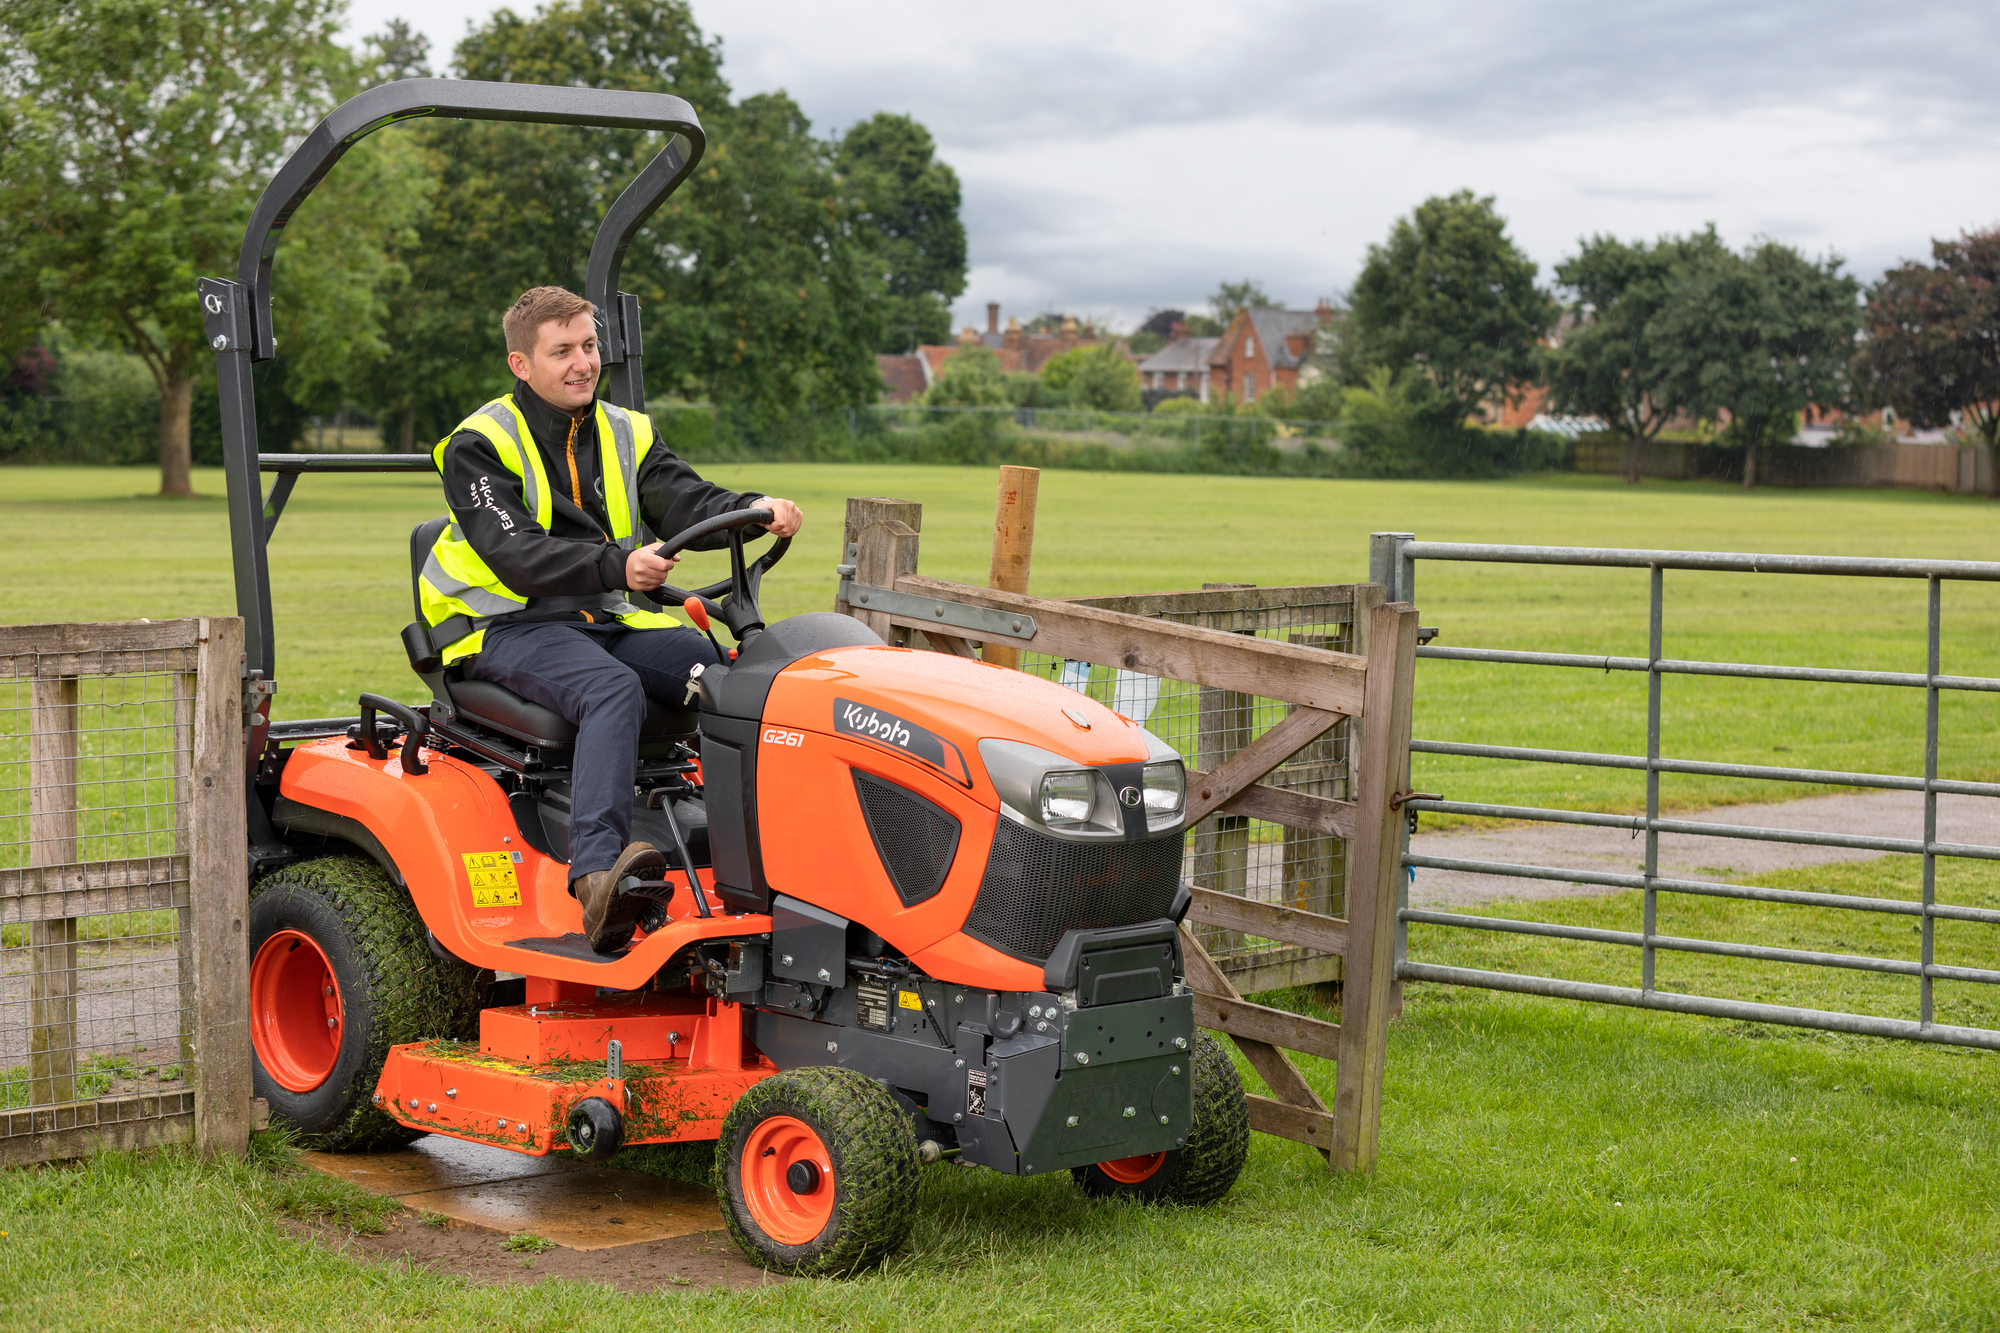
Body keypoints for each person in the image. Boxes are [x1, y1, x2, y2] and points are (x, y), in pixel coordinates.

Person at [420, 285, 803, 952]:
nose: (582, 362)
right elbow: (515, 555)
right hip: (503, 626)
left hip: (602, 615)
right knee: (611, 688)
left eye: (590, 346)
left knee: (722, 671)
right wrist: (616, 567)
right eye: (561, 350)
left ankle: (773, 849)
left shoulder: (626, 432)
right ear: (521, 364)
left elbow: (685, 500)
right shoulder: (477, 446)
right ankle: (597, 875)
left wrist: (754, 506)